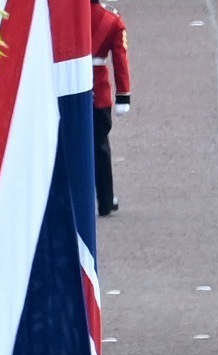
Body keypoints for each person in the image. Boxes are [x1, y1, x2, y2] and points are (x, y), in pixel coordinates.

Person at [94, 6, 134, 215]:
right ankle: (106, 199)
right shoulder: (111, 20)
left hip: (66, 89)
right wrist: (123, 95)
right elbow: (120, 59)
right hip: (97, 93)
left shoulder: (63, 18)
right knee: (100, 147)